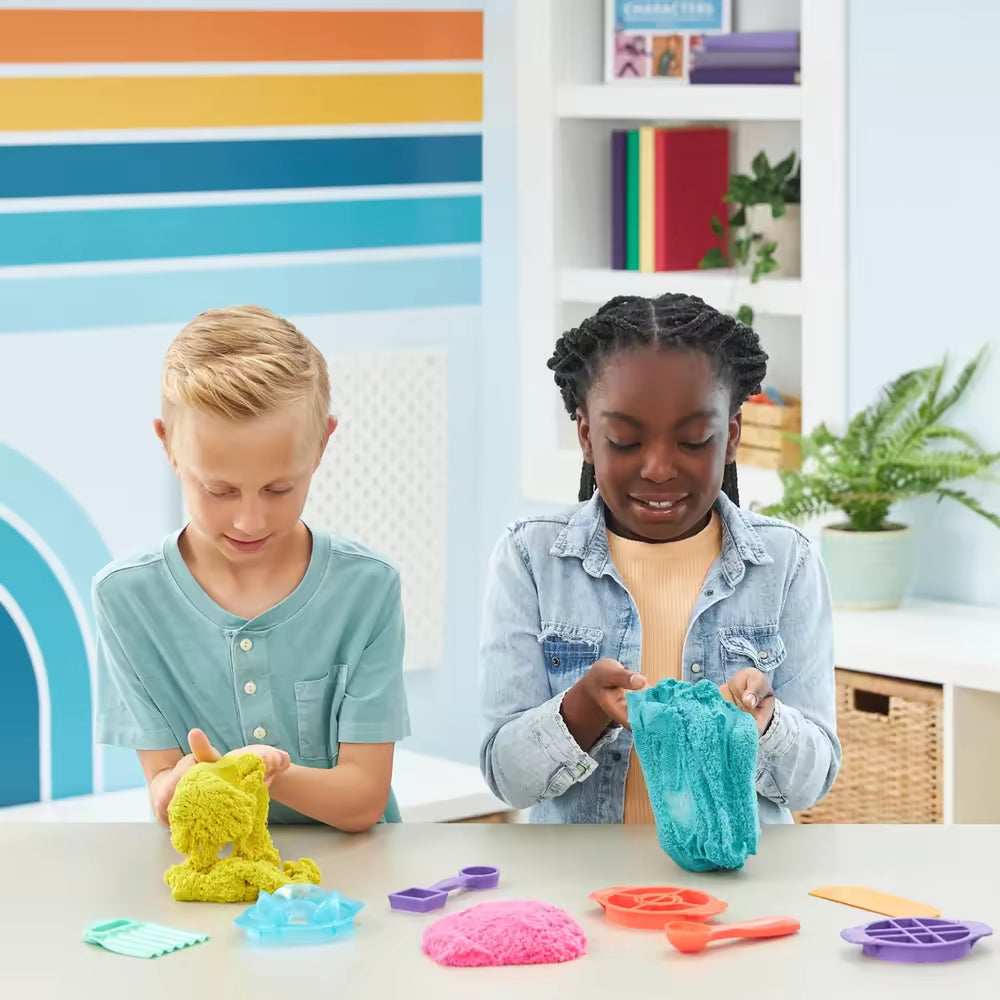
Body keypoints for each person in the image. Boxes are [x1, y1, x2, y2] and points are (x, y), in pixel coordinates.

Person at [478, 292, 840, 825]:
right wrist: (582, 709)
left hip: (735, 886)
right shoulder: (531, 559)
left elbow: (812, 782)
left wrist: (762, 723)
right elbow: (507, 778)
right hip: (585, 885)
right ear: (586, 436)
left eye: (694, 441)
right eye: (624, 441)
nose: (659, 469)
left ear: (731, 436)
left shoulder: (787, 563)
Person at [94, 305, 409, 830]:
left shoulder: (368, 588)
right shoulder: (125, 598)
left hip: (356, 883)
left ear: (322, 444)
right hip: (212, 875)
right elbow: (165, 792)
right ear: (168, 446)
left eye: (278, 489)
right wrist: (174, 785)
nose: (248, 519)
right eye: (219, 490)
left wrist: (253, 773)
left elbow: (362, 801)